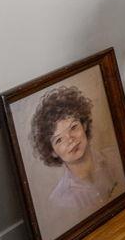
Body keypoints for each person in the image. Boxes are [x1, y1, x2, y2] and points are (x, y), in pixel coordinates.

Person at [31, 84, 120, 216]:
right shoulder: (59, 200)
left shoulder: (117, 158)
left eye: (73, 127)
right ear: (52, 151)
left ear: (84, 125)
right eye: (59, 140)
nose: (70, 139)